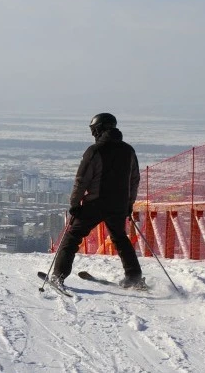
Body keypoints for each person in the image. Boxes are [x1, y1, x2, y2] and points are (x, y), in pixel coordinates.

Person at [51, 112, 143, 288]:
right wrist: (129, 204)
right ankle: (134, 277)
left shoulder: (94, 151)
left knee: (72, 237)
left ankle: (58, 276)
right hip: (119, 205)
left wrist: (75, 204)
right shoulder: (128, 150)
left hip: (96, 203)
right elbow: (134, 180)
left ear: (99, 129)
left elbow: (81, 180)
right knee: (120, 238)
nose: (93, 133)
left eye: (94, 130)